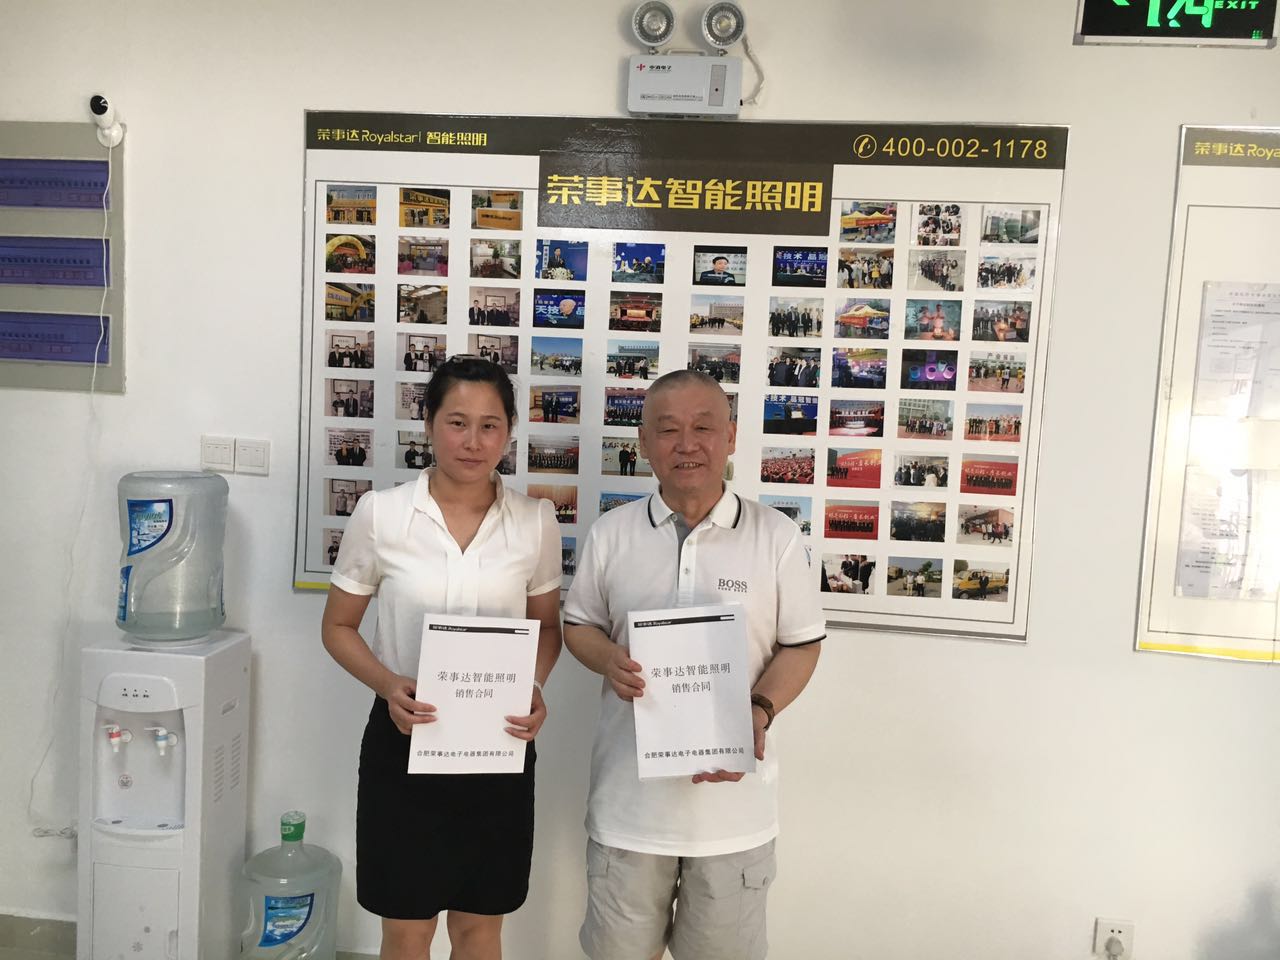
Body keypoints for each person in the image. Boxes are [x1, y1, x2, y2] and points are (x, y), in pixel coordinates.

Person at [563, 370, 823, 960]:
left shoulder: (776, 537)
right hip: (628, 810)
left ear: (730, 436)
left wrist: (760, 708)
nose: (687, 444)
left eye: (704, 428)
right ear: (643, 442)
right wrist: (609, 659)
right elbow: (578, 626)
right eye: (668, 429)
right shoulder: (612, 534)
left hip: (735, 816)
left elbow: (803, 644)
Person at [321, 357, 564, 960]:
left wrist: (532, 685)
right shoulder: (382, 514)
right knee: (407, 928)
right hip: (405, 739)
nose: (473, 441)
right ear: (428, 423)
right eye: (457, 422)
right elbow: (338, 628)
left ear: (509, 431)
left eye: (490, 425)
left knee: (480, 926)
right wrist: (388, 685)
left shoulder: (535, 521)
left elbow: (547, 628)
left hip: (498, 744)